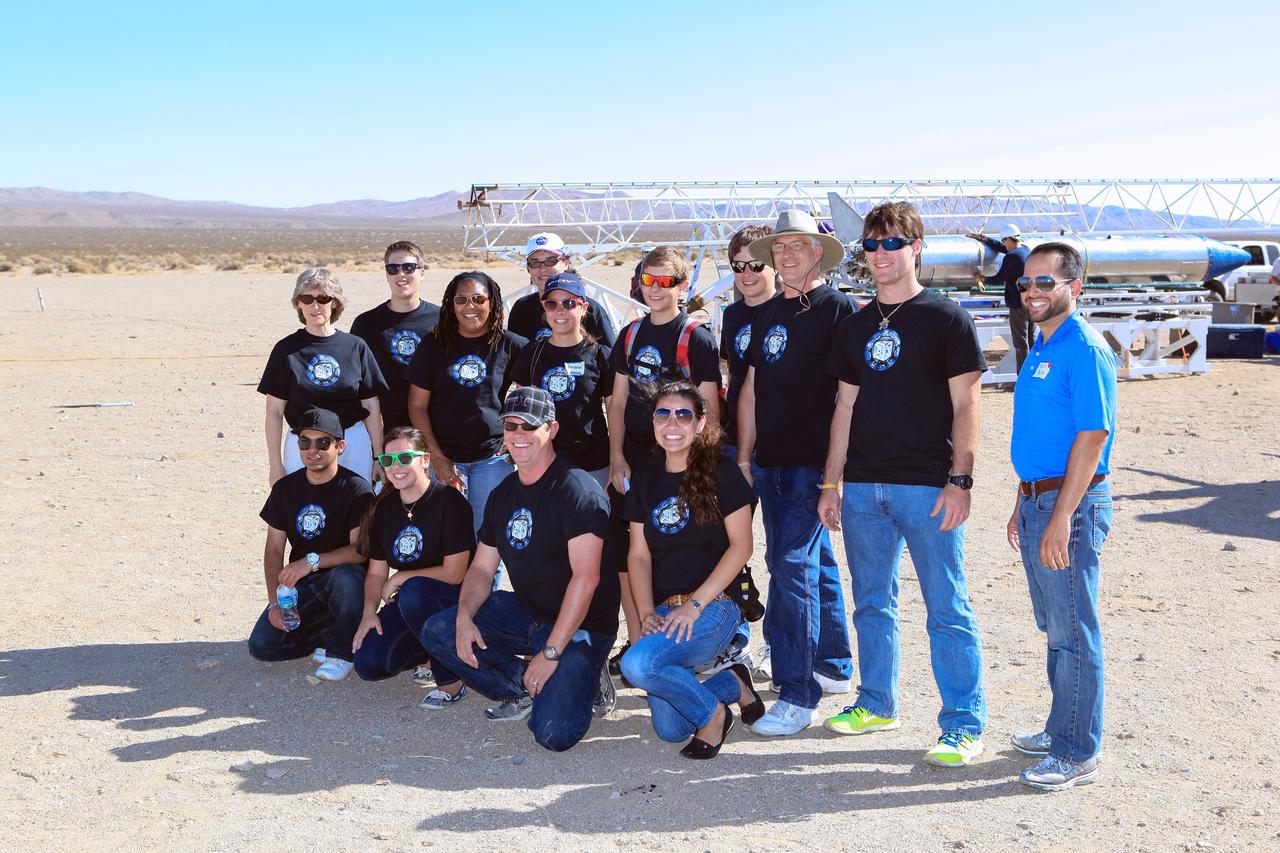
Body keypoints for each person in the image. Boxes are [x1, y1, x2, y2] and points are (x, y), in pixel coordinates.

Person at [819, 201, 988, 767]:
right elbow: (844, 406)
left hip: (927, 486)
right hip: (864, 488)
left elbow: (967, 403)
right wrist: (831, 483)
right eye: (871, 245)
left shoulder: (945, 319)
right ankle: (876, 702)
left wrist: (960, 479)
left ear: (916, 247)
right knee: (871, 604)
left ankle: (963, 724)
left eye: (891, 243)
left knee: (947, 607)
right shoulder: (856, 325)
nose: (880, 254)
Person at [421, 387, 619, 752]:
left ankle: (586, 676)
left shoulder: (578, 492)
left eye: (530, 426)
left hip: (580, 625)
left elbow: (587, 578)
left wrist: (551, 653)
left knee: (552, 733)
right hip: (529, 612)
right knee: (440, 630)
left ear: (552, 430)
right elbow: (481, 569)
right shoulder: (504, 494)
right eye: (511, 426)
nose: (519, 435)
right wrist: (465, 617)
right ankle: (521, 685)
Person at [735, 209, 854, 737]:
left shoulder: (837, 310)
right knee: (816, 563)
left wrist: (834, 475)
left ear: (817, 253)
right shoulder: (765, 313)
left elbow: (849, 400)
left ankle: (797, 693)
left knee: (789, 567)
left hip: (811, 464)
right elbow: (753, 390)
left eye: (797, 247)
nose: (786, 256)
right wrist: (744, 455)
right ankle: (831, 666)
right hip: (770, 462)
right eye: (779, 248)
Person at [1006, 242, 1117, 791]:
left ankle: (1077, 751)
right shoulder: (1043, 344)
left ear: (1075, 287)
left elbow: (1092, 438)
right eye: (1027, 282)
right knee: (1055, 628)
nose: (1032, 291)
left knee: (1074, 630)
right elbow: (1042, 436)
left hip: (1068, 507)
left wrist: (1059, 519)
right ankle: (1062, 727)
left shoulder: (1085, 348)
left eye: (1045, 282)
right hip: (1039, 501)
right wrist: (1022, 502)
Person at [619, 381, 762, 759]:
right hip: (666, 609)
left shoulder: (723, 472)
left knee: (636, 664)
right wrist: (647, 611)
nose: (672, 423)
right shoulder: (645, 479)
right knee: (671, 729)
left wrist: (695, 605)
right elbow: (638, 556)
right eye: (662, 414)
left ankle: (715, 715)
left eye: (684, 414)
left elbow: (742, 547)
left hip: (715, 607)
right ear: (652, 423)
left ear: (700, 423)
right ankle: (731, 685)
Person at [606, 246, 722, 665]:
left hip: (679, 462)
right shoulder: (631, 334)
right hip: (635, 461)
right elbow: (616, 403)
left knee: (680, 546)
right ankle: (640, 642)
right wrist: (616, 456)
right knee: (629, 555)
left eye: (665, 281)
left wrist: (700, 469)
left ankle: (696, 642)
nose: (655, 289)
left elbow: (708, 410)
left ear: (683, 285)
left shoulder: (696, 337)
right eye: (648, 280)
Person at [351, 426, 476, 709]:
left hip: (453, 604)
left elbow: (455, 573)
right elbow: (376, 572)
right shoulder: (384, 508)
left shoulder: (450, 502)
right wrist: (369, 612)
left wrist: (403, 577)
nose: (396, 467)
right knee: (369, 663)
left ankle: (450, 681)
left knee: (414, 591)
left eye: (405, 458)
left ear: (426, 460)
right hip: (409, 604)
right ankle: (428, 654)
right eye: (388, 460)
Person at [248, 407, 372, 680]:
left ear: (340, 446)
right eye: (305, 442)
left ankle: (342, 653)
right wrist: (274, 604)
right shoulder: (285, 489)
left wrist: (310, 561)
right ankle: (330, 634)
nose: (312, 450)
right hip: (304, 587)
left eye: (323, 442)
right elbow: (273, 549)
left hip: (342, 581)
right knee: (262, 645)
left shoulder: (357, 489)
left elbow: (359, 552)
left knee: (347, 576)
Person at [405, 271, 527, 535]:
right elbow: (416, 406)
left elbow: (530, 396)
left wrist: (514, 433)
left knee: (488, 538)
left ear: (492, 303)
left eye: (478, 299)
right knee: (451, 538)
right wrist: (437, 459)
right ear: (451, 304)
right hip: (446, 458)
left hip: (492, 461)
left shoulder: (510, 345)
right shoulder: (434, 345)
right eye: (461, 300)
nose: (470, 306)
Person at [708, 224, 779, 681]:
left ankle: (811, 653)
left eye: (757, 264)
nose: (748, 273)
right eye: (739, 266)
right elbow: (733, 383)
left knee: (792, 556)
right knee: (727, 544)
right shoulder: (732, 317)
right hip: (739, 445)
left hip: (787, 449)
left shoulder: (791, 311)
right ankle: (735, 639)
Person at [258, 268, 388, 484]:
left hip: (352, 442)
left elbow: (372, 408)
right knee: (306, 512)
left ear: (335, 302)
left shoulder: (356, 347)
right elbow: (274, 411)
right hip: (303, 445)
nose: (315, 306)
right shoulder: (286, 349)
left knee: (357, 512)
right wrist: (275, 465)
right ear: (298, 303)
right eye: (307, 298)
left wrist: (378, 457)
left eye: (323, 298)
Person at [509, 272, 613, 491]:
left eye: (569, 303)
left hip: (592, 461)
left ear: (584, 307)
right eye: (552, 304)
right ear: (544, 307)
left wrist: (618, 457)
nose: (560, 310)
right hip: (543, 460)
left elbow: (615, 410)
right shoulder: (531, 354)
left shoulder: (600, 355)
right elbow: (521, 409)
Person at [349, 241, 442, 431]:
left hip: (436, 429)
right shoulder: (366, 324)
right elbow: (357, 381)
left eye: (409, 267)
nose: (401, 274)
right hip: (384, 431)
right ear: (387, 275)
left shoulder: (442, 319)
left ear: (422, 272)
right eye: (393, 268)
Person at [507, 232, 618, 346]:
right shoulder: (521, 309)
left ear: (566, 263)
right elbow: (513, 356)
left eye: (551, 261)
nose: (543, 268)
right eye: (534, 262)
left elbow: (610, 359)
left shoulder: (591, 310)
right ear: (528, 268)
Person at [967, 223, 1033, 372]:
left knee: (1020, 344)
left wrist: (982, 278)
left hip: (1017, 305)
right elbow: (1003, 248)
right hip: (1030, 303)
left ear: (1009, 239)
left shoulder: (1012, 257)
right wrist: (985, 239)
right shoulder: (1025, 251)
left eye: (1004, 241)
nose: (1003, 244)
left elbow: (999, 278)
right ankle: (1034, 374)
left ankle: (1023, 377)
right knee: (1031, 340)